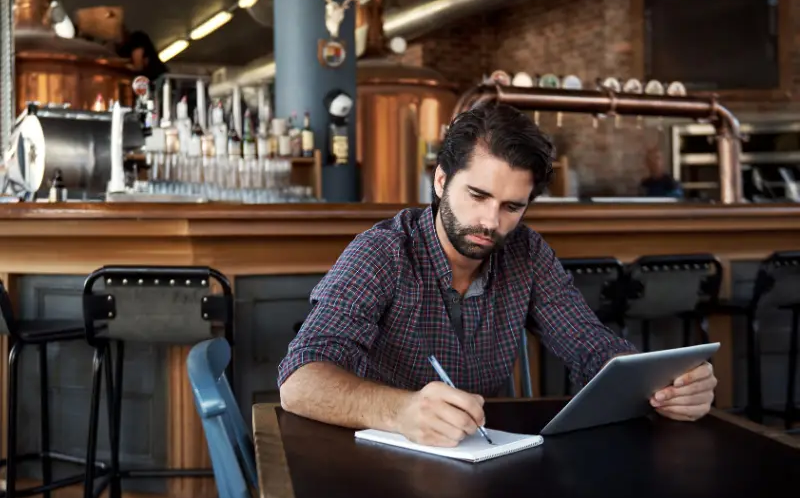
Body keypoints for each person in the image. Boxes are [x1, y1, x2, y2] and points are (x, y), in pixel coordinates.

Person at [278, 104, 717, 447]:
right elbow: (298, 383)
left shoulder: (526, 253)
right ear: (440, 181)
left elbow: (589, 345)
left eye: (512, 207)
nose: (491, 222)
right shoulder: (382, 252)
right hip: (373, 463)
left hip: (482, 457)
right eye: (477, 195)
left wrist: (664, 387)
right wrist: (401, 411)